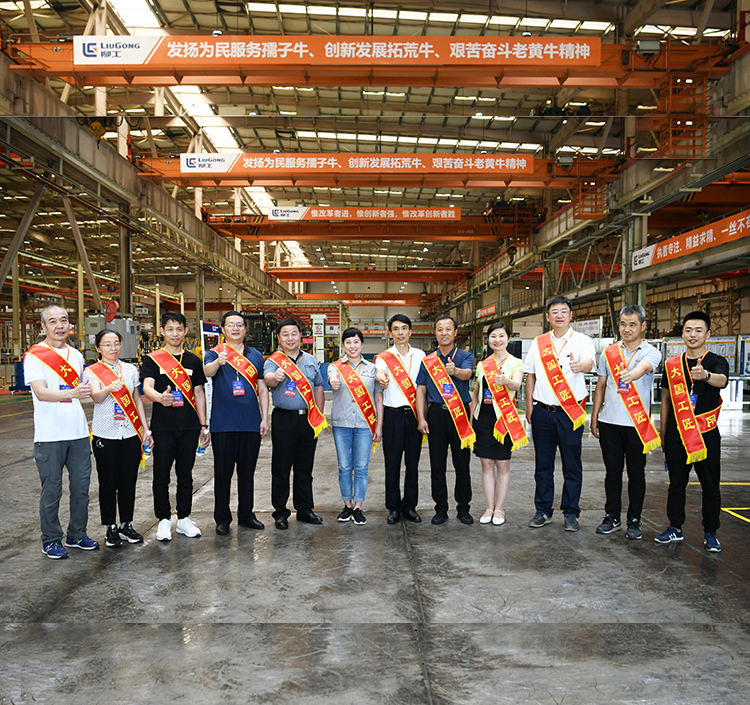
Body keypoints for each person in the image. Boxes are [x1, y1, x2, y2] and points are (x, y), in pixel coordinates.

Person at [24, 304, 99, 559]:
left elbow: (80, 391)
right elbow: (41, 393)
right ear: (43, 326)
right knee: (52, 490)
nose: (60, 326)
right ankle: (51, 539)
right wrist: (73, 393)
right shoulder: (35, 355)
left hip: (78, 433)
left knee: (81, 488)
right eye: (53, 321)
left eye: (64, 320)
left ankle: (77, 534)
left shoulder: (76, 355)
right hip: (49, 435)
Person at [656, 311, 729, 553]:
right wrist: (663, 431)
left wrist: (705, 376)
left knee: (710, 485)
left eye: (698, 330)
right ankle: (675, 527)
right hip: (676, 434)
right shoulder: (672, 365)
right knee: (676, 483)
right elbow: (665, 399)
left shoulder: (716, 361)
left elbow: (722, 380)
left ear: (708, 333)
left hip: (706, 435)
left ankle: (711, 532)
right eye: (688, 330)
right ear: (683, 333)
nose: (693, 335)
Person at [590, 305, 662, 541]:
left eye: (632, 324)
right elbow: (601, 385)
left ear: (643, 326)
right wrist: (594, 416)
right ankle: (612, 516)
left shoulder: (651, 352)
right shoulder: (609, 352)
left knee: (636, 474)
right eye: (623, 324)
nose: (627, 329)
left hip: (636, 425)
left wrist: (632, 374)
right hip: (609, 422)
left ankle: (634, 519)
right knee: (612, 473)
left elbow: (644, 367)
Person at [524, 296, 596, 532]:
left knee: (571, 465)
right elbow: (531, 375)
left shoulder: (583, 341)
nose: (559, 315)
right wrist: (529, 406)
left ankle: (571, 512)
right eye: (554, 312)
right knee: (543, 465)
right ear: (548, 317)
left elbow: (589, 362)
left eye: (564, 311)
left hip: (570, 413)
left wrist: (580, 366)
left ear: (571, 315)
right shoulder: (539, 342)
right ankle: (543, 510)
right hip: (542, 412)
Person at [142, 311, 209, 541]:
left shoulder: (193, 360)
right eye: (170, 329)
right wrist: (159, 398)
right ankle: (163, 519)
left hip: (189, 427)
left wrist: (203, 424)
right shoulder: (153, 359)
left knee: (185, 475)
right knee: (161, 476)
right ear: (162, 331)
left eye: (179, 329)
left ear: (185, 331)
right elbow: (147, 387)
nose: (175, 333)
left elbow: (199, 393)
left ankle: (184, 518)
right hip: (163, 428)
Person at [84, 329, 153, 547]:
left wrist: (145, 429)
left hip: (130, 433)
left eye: (116, 343)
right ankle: (110, 527)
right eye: (107, 344)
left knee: (128, 481)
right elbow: (96, 397)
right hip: (105, 434)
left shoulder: (130, 369)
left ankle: (126, 524)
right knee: (108, 482)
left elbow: (137, 399)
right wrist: (108, 388)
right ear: (98, 348)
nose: (113, 348)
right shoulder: (92, 371)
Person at [203, 311, 269, 535]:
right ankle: (222, 519)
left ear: (245, 329)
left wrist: (265, 418)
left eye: (239, 325)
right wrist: (218, 362)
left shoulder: (255, 355)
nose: (235, 328)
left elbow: (262, 388)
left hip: (250, 423)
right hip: (223, 424)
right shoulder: (214, 353)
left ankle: (246, 515)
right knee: (223, 474)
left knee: (247, 473)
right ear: (223, 329)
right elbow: (207, 372)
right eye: (231, 325)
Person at [263, 318, 326, 529]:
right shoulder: (274, 360)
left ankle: (305, 509)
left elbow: (318, 387)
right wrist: (276, 377)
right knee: (281, 467)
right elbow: (268, 379)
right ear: (279, 337)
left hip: (308, 419)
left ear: (300, 336)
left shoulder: (311, 360)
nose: (290, 338)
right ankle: (280, 512)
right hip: (284, 419)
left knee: (305, 467)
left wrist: (318, 414)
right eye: (285, 334)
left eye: (294, 333)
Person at [416, 316, 475, 525]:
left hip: (459, 415)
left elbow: (467, 374)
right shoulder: (428, 361)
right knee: (437, 465)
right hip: (436, 415)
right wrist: (421, 418)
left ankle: (463, 508)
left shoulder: (465, 356)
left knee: (462, 465)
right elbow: (421, 390)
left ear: (455, 333)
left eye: (448, 329)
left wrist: (455, 371)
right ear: (435, 333)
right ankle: (440, 509)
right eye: (440, 329)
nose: (444, 333)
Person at [470, 322, 526, 526]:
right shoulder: (482, 364)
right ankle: (489, 507)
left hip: (503, 420)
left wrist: (506, 382)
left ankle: (499, 508)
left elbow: (517, 384)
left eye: (501, 336)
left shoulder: (515, 363)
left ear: (508, 339)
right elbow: (476, 393)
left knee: (502, 465)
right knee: (486, 464)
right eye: (493, 336)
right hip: (483, 419)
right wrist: (471, 419)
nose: (497, 340)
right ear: (488, 340)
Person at [328, 327, 383, 526]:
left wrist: (379, 425)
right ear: (343, 345)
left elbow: (379, 399)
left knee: (361, 467)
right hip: (341, 424)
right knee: (344, 466)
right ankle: (347, 505)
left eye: (356, 342)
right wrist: (334, 381)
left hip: (365, 425)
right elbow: (332, 378)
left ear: (362, 344)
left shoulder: (372, 369)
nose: (352, 346)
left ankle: (358, 507)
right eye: (348, 342)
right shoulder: (335, 367)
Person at [375, 314, 426, 524]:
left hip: (414, 415)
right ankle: (394, 507)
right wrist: (381, 378)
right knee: (392, 464)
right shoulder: (384, 357)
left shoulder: (421, 355)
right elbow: (380, 372)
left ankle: (410, 506)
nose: (400, 333)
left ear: (410, 332)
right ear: (390, 333)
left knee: (413, 464)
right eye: (395, 329)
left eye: (404, 328)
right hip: (392, 416)